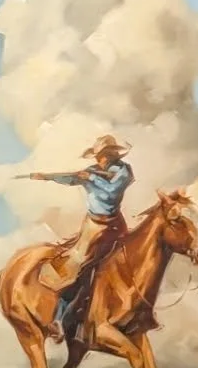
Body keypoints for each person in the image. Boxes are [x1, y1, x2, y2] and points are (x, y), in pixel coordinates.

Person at [28, 133, 135, 338]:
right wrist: (47, 177)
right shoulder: (93, 170)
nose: (98, 159)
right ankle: (59, 317)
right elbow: (70, 179)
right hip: (93, 227)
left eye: (102, 155)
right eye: (97, 156)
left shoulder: (123, 171)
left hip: (115, 224)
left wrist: (91, 178)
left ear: (111, 154)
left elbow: (111, 192)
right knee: (79, 267)